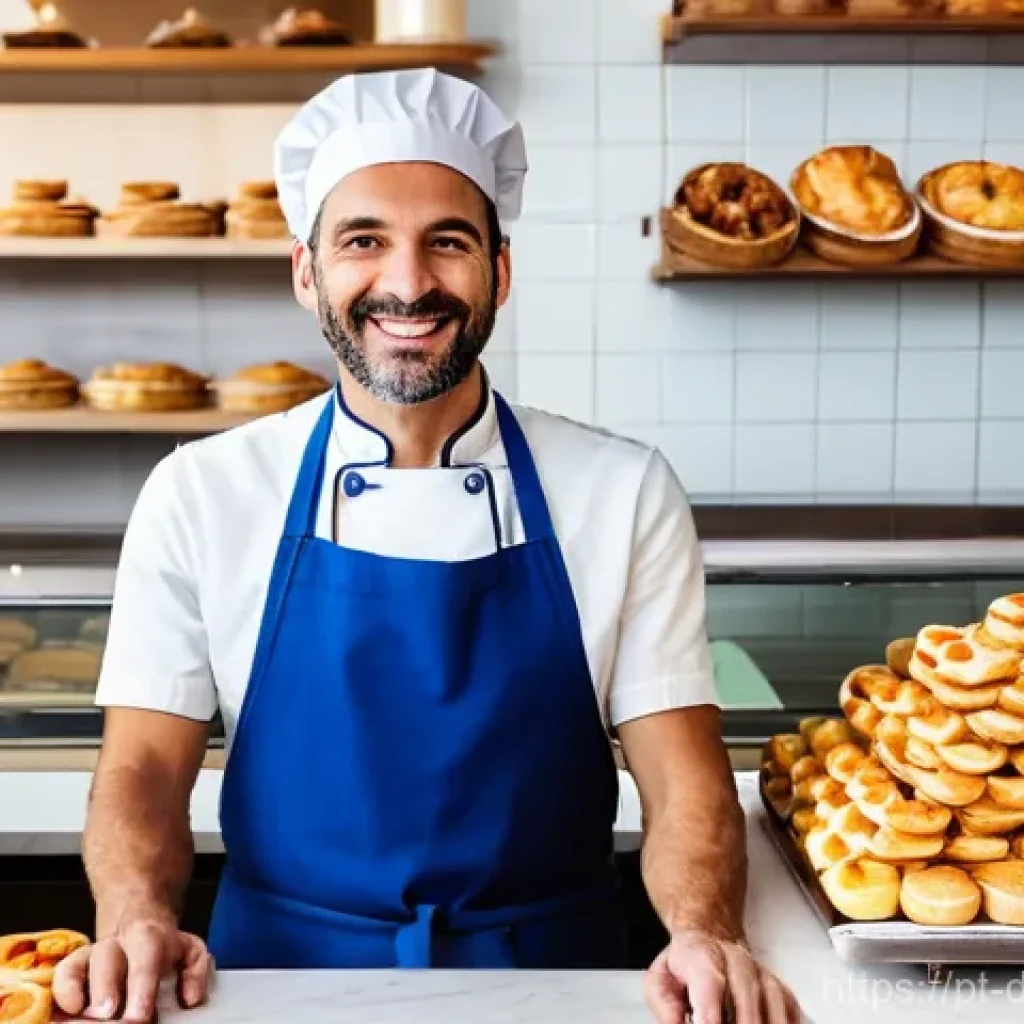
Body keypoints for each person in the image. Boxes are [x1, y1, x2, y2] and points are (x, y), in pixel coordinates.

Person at [53, 68, 802, 1024]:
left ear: (500, 268)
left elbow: (683, 774)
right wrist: (131, 916)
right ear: (305, 271)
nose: (406, 283)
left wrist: (706, 933)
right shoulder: (203, 491)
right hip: (272, 984)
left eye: (447, 242)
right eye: (364, 241)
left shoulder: (623, 490)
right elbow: (142, 770)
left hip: (560, 984)